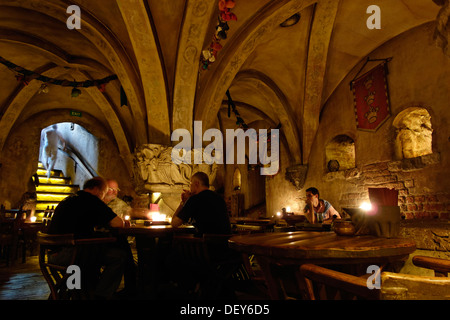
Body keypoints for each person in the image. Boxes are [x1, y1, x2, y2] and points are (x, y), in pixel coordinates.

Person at [48, 177, 126, 299]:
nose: (103, 197)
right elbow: (118, 223)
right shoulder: (92, 201)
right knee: (119, 256)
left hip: (53, 254)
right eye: (104, 193)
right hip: (71, 255)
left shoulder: (69, 199)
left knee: (92, 254)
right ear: (96, 190)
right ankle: (101, 296)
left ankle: (75, 291)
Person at [104, 179, 137, 298]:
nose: (113, 192)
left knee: (123, 248)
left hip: (109, 239)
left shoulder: (121, 205)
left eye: (115, 190)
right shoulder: (99, 203)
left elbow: (130, 215)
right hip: (99, 242)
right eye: (110, 189)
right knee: (122, 253)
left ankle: (130, 287)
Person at [171, 171, 231, 236]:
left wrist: (183, 202)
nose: (189, 187)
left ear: (197, 184)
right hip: (224, 243)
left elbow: (174, 223)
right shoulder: (219, 198)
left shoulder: (194, 199)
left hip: (205, 243)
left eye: (190, 184)